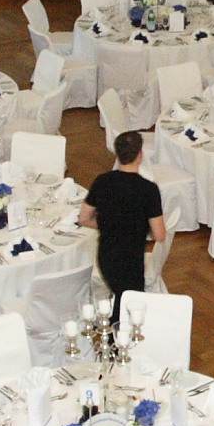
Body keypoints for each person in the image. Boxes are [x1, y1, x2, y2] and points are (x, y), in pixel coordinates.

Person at [78, 129, 170, 301]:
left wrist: (110, 223)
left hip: (106, 257)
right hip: (131, 259)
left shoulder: (102, 181)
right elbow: (159, 234)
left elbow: (83, 218)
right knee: (130, 302)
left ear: (118, 154)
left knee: (123, 298)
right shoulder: (148, 189)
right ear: (140, 155)